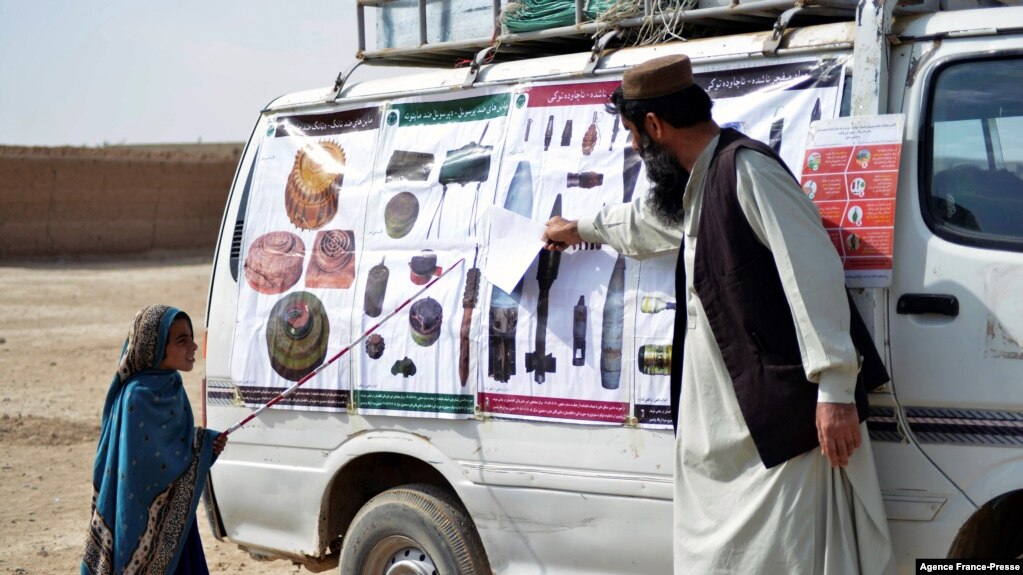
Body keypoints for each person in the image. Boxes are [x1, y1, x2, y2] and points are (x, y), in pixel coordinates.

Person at [543, 54, 895, 573]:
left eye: (633, 135)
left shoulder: (746, 170)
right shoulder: (698, 184)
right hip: (726, 438)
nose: (634, 147)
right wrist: (576, 228)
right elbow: (644, 223)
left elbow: (812, 269)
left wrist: (836, 391)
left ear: (655, 126)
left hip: (782, 437)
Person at [82, 304, 227, 575]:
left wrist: (206, 446)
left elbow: (177, 445)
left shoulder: (173, 385)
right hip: (140, 520)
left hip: (176, 519)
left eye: (191, 337)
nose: (193, 347)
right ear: (155, 346)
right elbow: (148, 469)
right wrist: (202, 447)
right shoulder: (137, 396)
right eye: (182, 340)